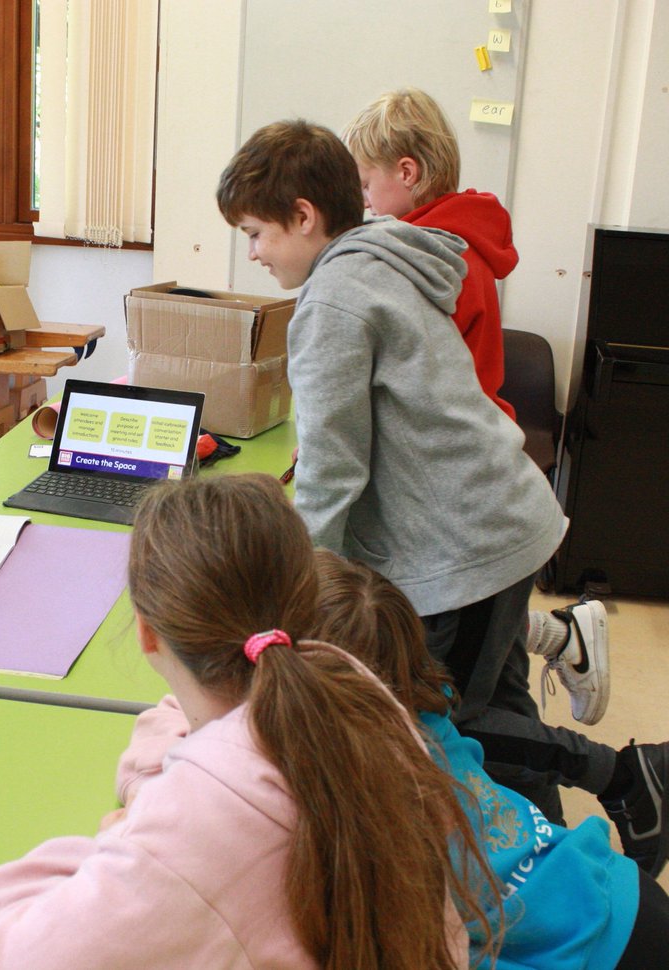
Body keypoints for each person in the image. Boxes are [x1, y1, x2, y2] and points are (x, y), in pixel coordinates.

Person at [214, 120, 668, 873]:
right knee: (499, 711)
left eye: (257, 233)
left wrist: (302, 586)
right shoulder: (381, 261)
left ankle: (628, 778)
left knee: (433, 725)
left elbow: (335, 469)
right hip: (498, 518)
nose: (254, 252)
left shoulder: (333, 300)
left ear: (304, 216)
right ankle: (566, 858)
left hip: (464, 542)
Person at [0, 474, 492, 970]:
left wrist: (123, 840)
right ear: (306, 608)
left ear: (146, 633)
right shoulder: (356, 696)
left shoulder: (193, 833)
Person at [344, 87, 610, 728]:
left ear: (406, 173)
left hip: (467, 489)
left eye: (366, 181)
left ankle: (561, 801)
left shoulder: (434, 261)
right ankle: (559, 647)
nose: (362, 200)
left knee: (460, 705)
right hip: (479, 482)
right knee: (492, 685)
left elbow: (412, 390)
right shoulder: (454, 246)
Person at [309, 551, 669, 970]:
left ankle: (624, 774)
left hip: (594, 954)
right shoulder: (432, 715)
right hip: (620, 889)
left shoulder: (365, 804)